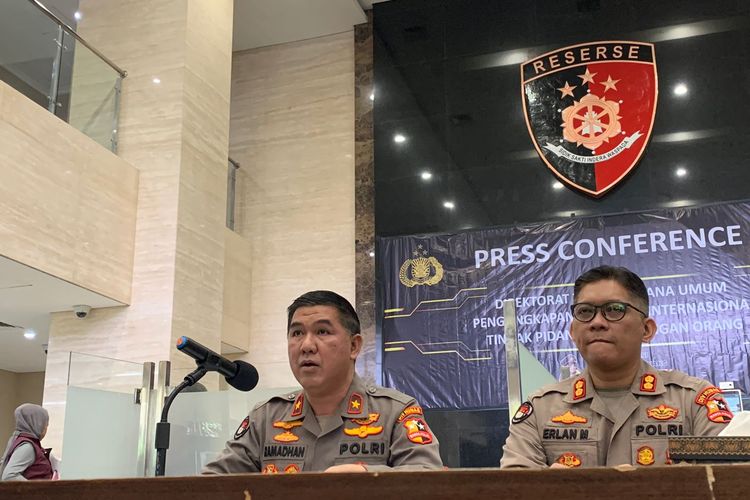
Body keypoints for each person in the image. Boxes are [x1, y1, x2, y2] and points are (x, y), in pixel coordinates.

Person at [501, 266, 733, 468]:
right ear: (572, 331)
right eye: (585, 312)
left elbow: (733, 482)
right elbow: (512, 489)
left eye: (614, 310)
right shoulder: (541, 409)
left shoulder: (694, 403)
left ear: (646, 330)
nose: (597, 322)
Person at [203, 290, 443, 473]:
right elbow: (213, 484)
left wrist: (369, 477)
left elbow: (429, 480)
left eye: (322, 332)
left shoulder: (395, 413)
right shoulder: (265, 418)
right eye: (297, 333)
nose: (306, 345)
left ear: (354, 346)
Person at [1, 404, 54, 480]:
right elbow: (9, 476)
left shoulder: (18, 438)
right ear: (38, 424)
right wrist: (37, 489)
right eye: (45, 425)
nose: (46, 429)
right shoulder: (27, 446)